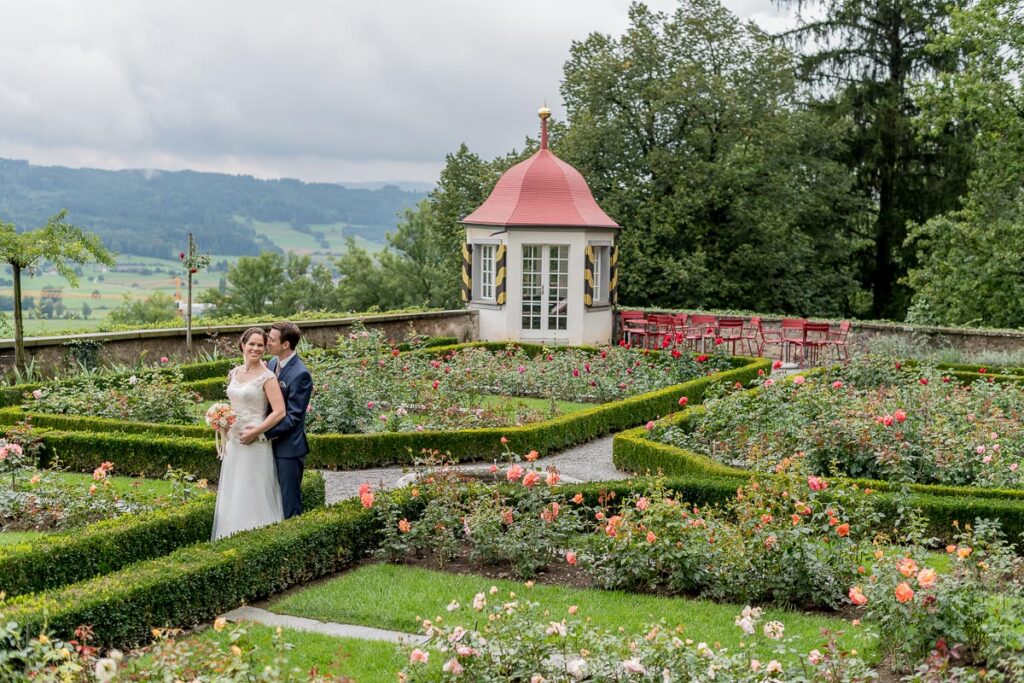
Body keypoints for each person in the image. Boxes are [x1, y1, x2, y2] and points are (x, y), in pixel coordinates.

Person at [211, 327, 286, 540]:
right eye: (251, 344)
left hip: (254, 444)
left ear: (264, 349)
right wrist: (221, 419)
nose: (255, 348)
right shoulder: (234, 373)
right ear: (243, 345)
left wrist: (257, 431)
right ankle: (230, 535)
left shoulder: (267, 377)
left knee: (253, 492)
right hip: (233, 442)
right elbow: (236, 404)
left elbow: (280, 411)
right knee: (233, 492)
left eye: (260, 345)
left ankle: (258, 539)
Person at [241, 321, 313, 519]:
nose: (266, 343)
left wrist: (261, 433)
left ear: (285, 345)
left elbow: (293, 417)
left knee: (289, 501)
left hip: (288, 449)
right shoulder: (272, 364)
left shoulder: (301, 374)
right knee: (269, 497)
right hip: (266, 448)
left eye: (271, 340)